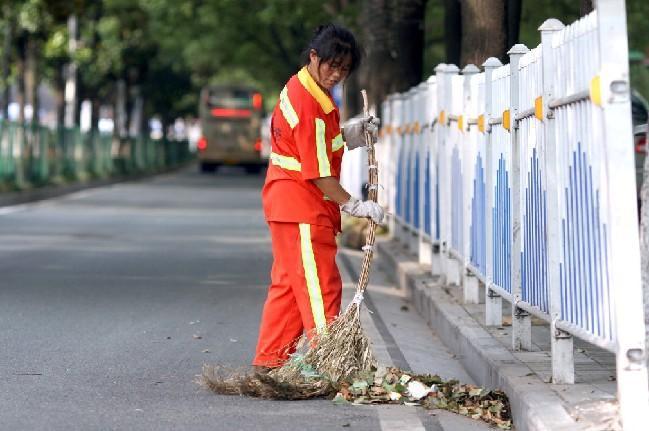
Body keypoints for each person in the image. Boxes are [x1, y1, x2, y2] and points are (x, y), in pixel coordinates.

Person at [252, 23, 384, 372]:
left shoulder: (304, 88)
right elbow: (318, 171)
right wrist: (353, 204)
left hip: (288, 202)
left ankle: (269, 362)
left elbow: (319, 143)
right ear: (314, 57)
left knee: (289, 286)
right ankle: (333, 365)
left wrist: (351, 135)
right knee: (319, 285)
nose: (336, 74)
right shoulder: (309, 102)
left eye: (344, 69)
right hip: (301, 205)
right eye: (332, 65)